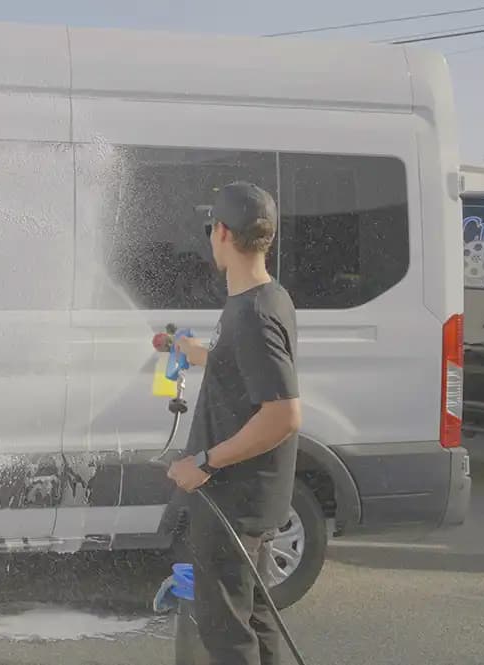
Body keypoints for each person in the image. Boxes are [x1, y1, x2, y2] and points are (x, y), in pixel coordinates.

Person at [166, 181, 302, 665]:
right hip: (254, 498)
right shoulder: (266, 297)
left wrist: (203, 462)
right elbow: (243, 370)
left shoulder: (254, 315)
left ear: (222, 232)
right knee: (256, 619)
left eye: (210, 228)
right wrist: (194, 352)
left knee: (226, 635)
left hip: (231, 500)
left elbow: (283, 413)